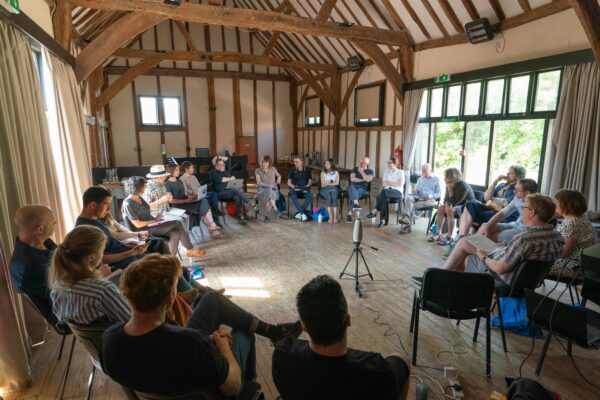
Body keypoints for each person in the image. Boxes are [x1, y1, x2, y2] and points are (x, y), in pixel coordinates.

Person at [99, 254, 303, 397]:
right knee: (243, 331)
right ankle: (248, 387)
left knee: (212, 299)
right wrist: (223, 347)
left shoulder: (109, 340)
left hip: (167, 378)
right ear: (171, 298)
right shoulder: (190, 343)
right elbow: (231, 387)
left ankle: (276, 333)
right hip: (213, 391)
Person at [272, 275, 410, 400]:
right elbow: (400, 366)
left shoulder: (282, 353)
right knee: (403, 359)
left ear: (303, 327)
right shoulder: (378, 370)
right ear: (348, 320)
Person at [48, 226, 208, 326]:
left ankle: (176, 298)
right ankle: (174, 300)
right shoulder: (102, 290)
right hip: (135, 348)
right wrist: (103, 281)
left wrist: (101, 278)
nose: (103, 255)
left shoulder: (57, 285)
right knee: (212, 301)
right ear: (91, 258)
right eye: (102, 251)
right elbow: (134, 322)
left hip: (101, 349)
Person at [432, 194, 564, 288]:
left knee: (463, 258)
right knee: (465, 244)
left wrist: (482, 256)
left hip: (503, 280)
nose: (522, 210)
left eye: (524, 207)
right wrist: (502, 248)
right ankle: (443, 282)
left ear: (532, 213)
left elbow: (500, 269)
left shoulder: (524, 239)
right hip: (529, 282)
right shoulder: (558, 237)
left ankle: (437, 282)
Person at [122, 177, 207, 257]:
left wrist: (156, 219)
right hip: (143, 231)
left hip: (152, 225)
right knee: (177, 223)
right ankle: (190, 249)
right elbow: (138, 224)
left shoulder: (139, 197)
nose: (145, 187)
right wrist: (155, 220)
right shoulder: (128, 204)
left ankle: (170, 259)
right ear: (138, 188)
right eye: (144, 186)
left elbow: (146, 209)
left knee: (175, 232)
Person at [76, 186, 149, 270]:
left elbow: (111, 240)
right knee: (155, 264)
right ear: (93, 205)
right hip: (120, 262)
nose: (109, 209)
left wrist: (128, 245)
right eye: (106, 204)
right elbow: (99, 259)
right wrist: (130, 253)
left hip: (127, 252)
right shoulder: (84, 229)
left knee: (156, 248)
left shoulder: (95, 219)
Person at [9, 205, 58, 324]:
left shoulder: (43, 241)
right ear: (40, 229)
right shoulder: (29, 266)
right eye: (53, 221)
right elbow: (58, 293)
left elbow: (61, 256)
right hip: (63, 312)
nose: (55, 223)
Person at [457, 165, 526, 237]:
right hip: (490, 208)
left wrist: (492, 199)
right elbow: (486, 197)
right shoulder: (501, 185)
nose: (507, 174)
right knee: (470, 203)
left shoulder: (517, 189)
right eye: (507, 172)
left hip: (500, 212)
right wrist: (495, 182)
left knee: (469, 212)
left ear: (518, 175)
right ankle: (462, 235)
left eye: (510, 173)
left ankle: (463, 236)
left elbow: (505, 203)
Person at [548, 189, 597, 278]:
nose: (554, 204)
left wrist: (547, 253)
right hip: (587, 263)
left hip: (575, 266)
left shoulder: (571, 223)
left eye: (556, 202)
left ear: (566, 205)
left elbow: (565, 253)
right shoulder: (581, 218)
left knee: (537, 265)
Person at [165, 163, 221, 237]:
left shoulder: (179, 181)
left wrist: (192, 197)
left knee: (204, 200)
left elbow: (183, 195)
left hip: (186, 202)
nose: (179, 171)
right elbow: (171, 201)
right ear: (171, 171)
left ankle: (210, 224)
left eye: (178, 170)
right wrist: (185, 200)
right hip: (178, 206)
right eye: (176, 170)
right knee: (204, 203)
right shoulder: (168, 184)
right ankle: (211, 225)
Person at [478, 178, 539, 245]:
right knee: (484, 226)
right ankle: (478, 248)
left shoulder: (538, 204)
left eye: (517, 190)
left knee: (493, 236)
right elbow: (503, 213)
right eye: (515, 189)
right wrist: (488, 227)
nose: (514, 192)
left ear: (527, 193)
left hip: (524, 230)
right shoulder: (517, 198)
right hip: (514, 224)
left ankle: (483, 250)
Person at [429, 168, 474, 245]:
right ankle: (438, 233)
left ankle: (449, 236)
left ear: (452, 178)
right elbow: (446, 200)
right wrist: (448, 192)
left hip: (468, 209)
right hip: (457, 206)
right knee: (441, 209)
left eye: (446, 177)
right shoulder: (450, 185)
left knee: (449, 210)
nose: (444, 179)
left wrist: (450, 191)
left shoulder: (463, 187)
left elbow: (454, 203)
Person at [99, 211, 170, 255]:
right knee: (159, 245)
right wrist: (138, 234)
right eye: (106, 204)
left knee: (161, 241)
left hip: (133, 240)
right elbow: (116, 236)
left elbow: (121, 227)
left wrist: (137, 236)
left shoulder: (108, 216)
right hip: (125, 245)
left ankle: (171, 265)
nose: (109, 208)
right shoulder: (98, 223)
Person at [399, 163, 441, 234]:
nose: (424, 173)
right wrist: (415, 191)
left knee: (411, 205)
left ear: (430, 170)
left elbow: (439, 194)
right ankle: (406, 218)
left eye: (425, 171)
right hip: (419, 197)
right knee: (408, 198)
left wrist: (429, 196)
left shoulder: (436, 179)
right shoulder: (420, 179)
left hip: (429, 199)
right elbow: (417, 189)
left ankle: (407, 225)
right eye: (423, 171)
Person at [210, 158, 253, 225]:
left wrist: (234, 180)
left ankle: (240, 217)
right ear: (216, 166)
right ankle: (250, 202)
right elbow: (222, 179)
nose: (223, 166)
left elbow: (229, 160)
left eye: (223, 164)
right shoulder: (214, 173)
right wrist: (230, 178)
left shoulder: (226, 172)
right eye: (220, 165)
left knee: (237, 198)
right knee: (235, 189)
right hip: (221, 194)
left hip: (230, 192)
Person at [367, 157, 404, 227]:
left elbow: (400, 184)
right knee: (384, 198)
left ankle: (375, 211)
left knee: (382, 193)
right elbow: (384, 184)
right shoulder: (386, 171)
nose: (388, 164)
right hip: (386, 192)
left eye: (390, 163)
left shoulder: (401, 172)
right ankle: (383, 221)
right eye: (387, 162)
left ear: (394, 164)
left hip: (397, 192)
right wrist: (394, 183)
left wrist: (389, 182)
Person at [346, 157, 374, 223]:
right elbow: (352, 179)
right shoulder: (355, 169)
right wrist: (364, 179)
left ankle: (349, 214)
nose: (360, 164)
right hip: (353, 186)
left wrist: (362, 172)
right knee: (351, 188)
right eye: (360, 162)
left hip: (362, 189)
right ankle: (356, 204)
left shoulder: (370, 171)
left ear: (366, 164)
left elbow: (368, 179)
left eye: (362, 163)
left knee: (352, 195)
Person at [255, 155, 282, 222]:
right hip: (261, 190)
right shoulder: (258, 170)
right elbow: (258, 182)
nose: (264, 164)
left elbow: (278, 175)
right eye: (263, 162)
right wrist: (268, 185)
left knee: (268, 201)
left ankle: (266, 216)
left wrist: (279, 179)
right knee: (269, 191)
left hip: (273, 190)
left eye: (266, 162)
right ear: (261, 162)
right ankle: (275, 208)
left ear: (269, 163)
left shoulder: (273, 169)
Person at [287, 155, 313, 222]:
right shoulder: (292, 170)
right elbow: (289, 182)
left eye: (297, 162)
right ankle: (302, 213)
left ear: (302, 162)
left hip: (304, 189)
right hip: (295, 189)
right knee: (293, 195)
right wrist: (294, 186)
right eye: (294, 162)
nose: (295, 163)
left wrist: (307, 186)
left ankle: (300, 213)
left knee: (310, 196)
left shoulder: (307, 170)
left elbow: (310, 181)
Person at [319, 159, 340, 224]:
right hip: (324, 189)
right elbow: (322, 183)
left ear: (332, 164)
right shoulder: (323, 172)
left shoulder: (336, 172)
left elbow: (337, 183)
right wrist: (331, 182)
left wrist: (327, 182)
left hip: (333, 188)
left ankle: (335, 217)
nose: (325, 165)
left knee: (334, 197)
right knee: (329, 197)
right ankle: (330, 217)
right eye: (325, 163)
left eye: (327, 163)